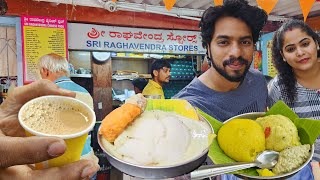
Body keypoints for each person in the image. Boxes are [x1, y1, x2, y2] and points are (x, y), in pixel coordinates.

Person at [174, 0, 268, 122]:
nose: (236, 52)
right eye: (224, 42)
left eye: (245, 42)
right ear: (207, 48)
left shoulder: (258, 81)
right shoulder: (187, 107)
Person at [0, 79, 99, 179]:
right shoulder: (85, 92)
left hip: (80, 168)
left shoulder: (45, 94)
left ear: (45, 71)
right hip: (88, 161)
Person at [269, 19, 320, 178]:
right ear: (283, 56)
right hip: (306, 171)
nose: (299, 52)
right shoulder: (278, 89)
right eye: (291, 49)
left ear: (316, 44)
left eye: (305, 44)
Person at [38, 53, 97, 162]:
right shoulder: (85, 93)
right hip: (86, 160)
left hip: (57, 164)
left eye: (40, 73)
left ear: (45, 71)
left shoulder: (43, 95)